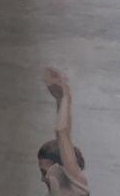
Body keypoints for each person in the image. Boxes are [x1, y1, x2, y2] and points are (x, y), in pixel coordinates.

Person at [37, 67, 91, 195]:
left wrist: (65, 96)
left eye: (44, 172)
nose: (42, 179)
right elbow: (63, 136)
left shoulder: (75, 184)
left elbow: (62, 133)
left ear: (62, 167)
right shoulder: (58, 190)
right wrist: (60, 100)